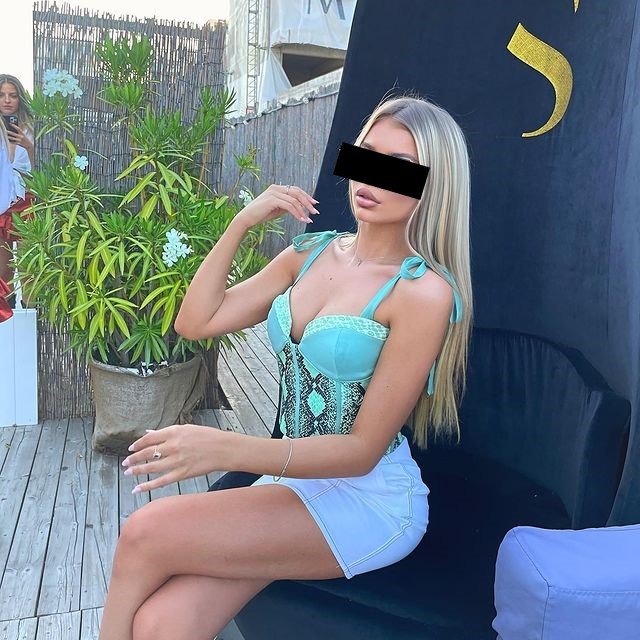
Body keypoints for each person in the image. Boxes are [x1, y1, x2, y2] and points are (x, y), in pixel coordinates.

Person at [97, 92, 473, 640]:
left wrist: (225, 448)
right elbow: (196, 321)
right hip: (294, 475)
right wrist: (242, 223)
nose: (371, 178)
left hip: (368, 497)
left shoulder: (422, 292)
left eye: (399, 166)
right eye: (367, 155)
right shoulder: (309, 254)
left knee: (144, 532)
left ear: (433, 184)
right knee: (163, 624)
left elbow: (361, 452)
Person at [0, 74, 35, 306]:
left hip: (26, 201)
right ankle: (5, 315)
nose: (7, 100)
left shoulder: (32, 128)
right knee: (3, 270)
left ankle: (32, 313)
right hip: (1, 201)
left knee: (28, 264)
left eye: (12, 95)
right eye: (2, 95)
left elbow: (42, 169)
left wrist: (28, 145)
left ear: (20, 98)